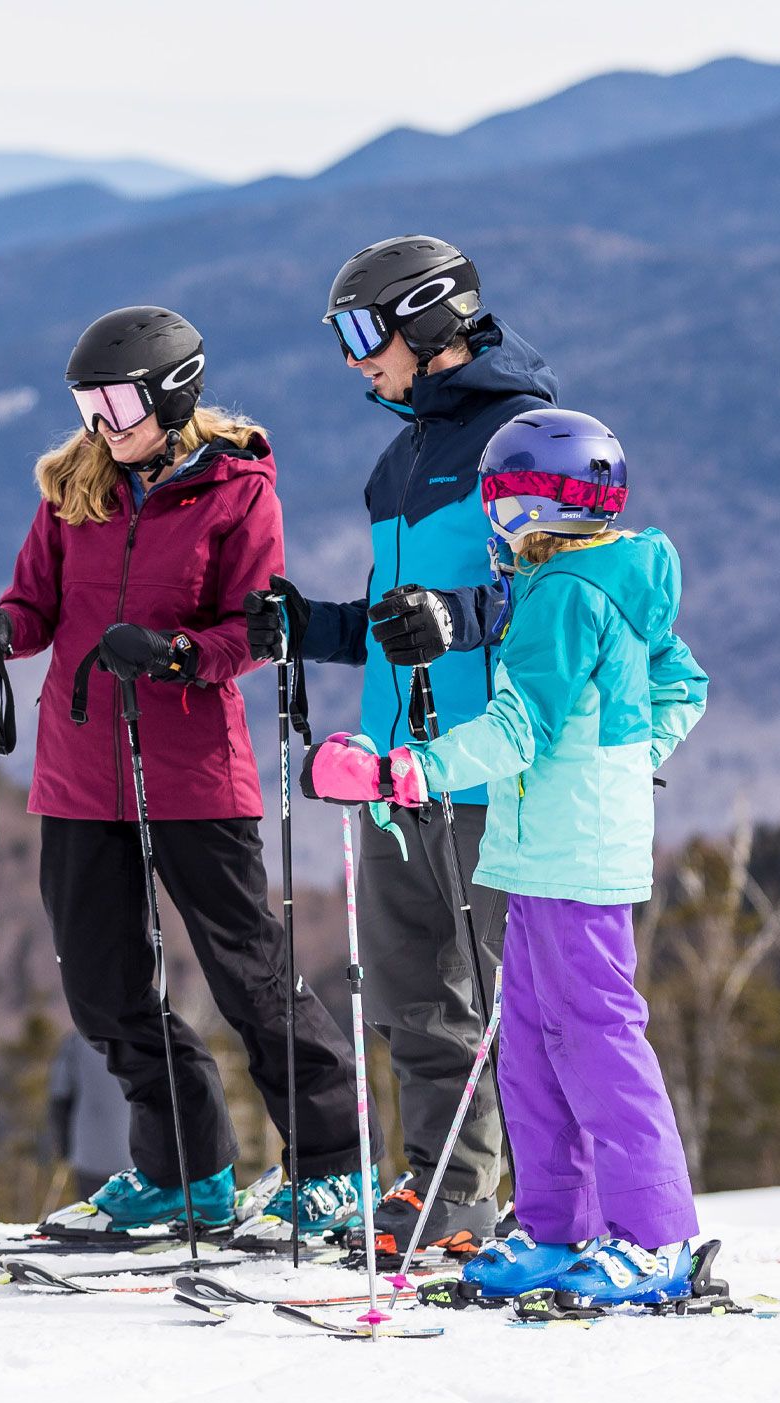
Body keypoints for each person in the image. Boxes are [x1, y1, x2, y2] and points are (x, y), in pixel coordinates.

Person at [0, 306, 364, 1247]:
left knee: (248, 974)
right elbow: (36, 602)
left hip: (192, 771)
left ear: (173, 393)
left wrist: (176, 656)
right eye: (86, 399)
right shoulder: (71, 489)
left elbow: (253, 630)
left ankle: (333, 1167)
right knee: (102, 985)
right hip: (79, 770)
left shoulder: (238, 490)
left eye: (117, 397)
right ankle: (184, 1173)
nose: (100, 418)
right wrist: (0, 631)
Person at [303, 408, 711, 1306]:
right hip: (541, 852)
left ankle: (655, 1239)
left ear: (522, 505)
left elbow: (519, 728)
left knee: (596, 1039)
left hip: (572, 857)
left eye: (499, 500)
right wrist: (626, 753)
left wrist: (408, 768)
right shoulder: (599, 577)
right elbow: (683, 682)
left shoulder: (564, 593)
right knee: (528, 1041)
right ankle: (559, 1227)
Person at [244, 235, 560, 1259]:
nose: (350, 360)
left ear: (426, 320)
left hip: (487, 764)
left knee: (518, 1000)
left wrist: (459, 616)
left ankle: (562, 1202)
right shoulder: (402, 455)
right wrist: (309, 627)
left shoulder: (530, 437)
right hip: (393, 768)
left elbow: (569, 594)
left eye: (359, 333)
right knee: (414, 995)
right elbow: (396, 620)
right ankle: (452, 1195)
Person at [48, 1036, 135, 1199]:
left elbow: (60, 1097)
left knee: (93, 1214)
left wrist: (62, 1148)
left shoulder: (76, 1041)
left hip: (88, 1154)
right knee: (135, 1217)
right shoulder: (142, 1036)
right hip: (135, 1155)